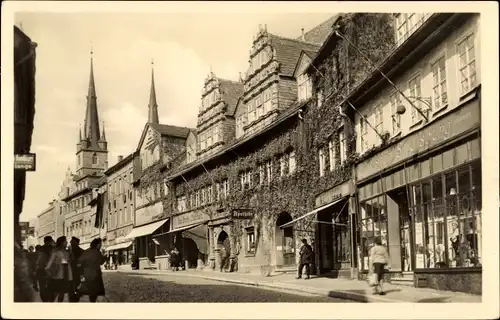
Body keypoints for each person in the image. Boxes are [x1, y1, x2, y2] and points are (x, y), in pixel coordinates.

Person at [45, 236, 73, 302]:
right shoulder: (58, 252)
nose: (67, 242)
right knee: (57, 294)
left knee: (60, 294)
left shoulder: (61, 252)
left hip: (61, 276)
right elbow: (64, 262)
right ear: (62, 242)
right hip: (59, 276)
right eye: (65, 241)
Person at [78, 238, 106, 302]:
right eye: (100, 244)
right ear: (98, 245)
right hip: (96, 275)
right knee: (96, 292)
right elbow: (101, 262)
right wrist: (103, 255)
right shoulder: (97, 252)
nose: (101, 245)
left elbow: (79, 262)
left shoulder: (86, 251)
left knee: (90, 292)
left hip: (87, 274)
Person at [36, 236, 55, 302]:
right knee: (49, 288)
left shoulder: (41, 249)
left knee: (43, 288)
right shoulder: (50, 249)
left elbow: (38, 262)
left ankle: (45, 301)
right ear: (49, 241)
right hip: (47, 270)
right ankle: (48, 301)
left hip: (42, 270)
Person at [69, 237, 84, 302]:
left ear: (77, 243)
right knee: (71, 290)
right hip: (70, 272)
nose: (70, 242)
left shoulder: (81, 251)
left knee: (77, 288)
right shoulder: (69, 251)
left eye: (72, 242)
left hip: (77, 273)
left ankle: (75, 300)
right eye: (71, 242)